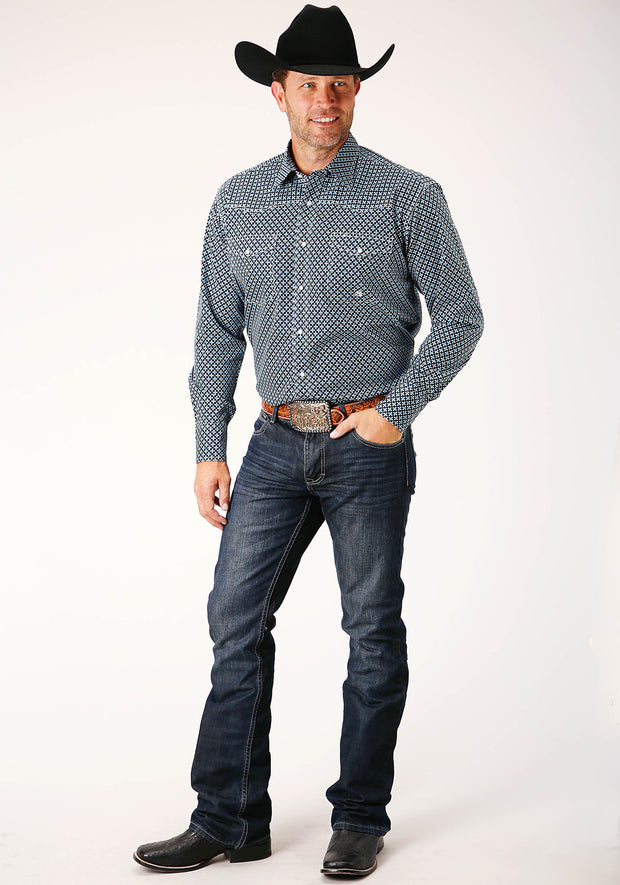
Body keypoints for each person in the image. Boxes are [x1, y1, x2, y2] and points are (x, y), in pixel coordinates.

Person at [133, 4, 484, 878]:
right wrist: (208, 446)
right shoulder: (238, 201)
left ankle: (359, 817)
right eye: (308, 85)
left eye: (340, 85)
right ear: (278, 93)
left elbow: (461, 317)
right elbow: (217, 334)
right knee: (234, 620)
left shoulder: (408, 194)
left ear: (356, 92)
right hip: (273, 442)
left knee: (371, 630)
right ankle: (229, 818)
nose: (325, 100)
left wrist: (398, 409)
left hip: (369, 442)